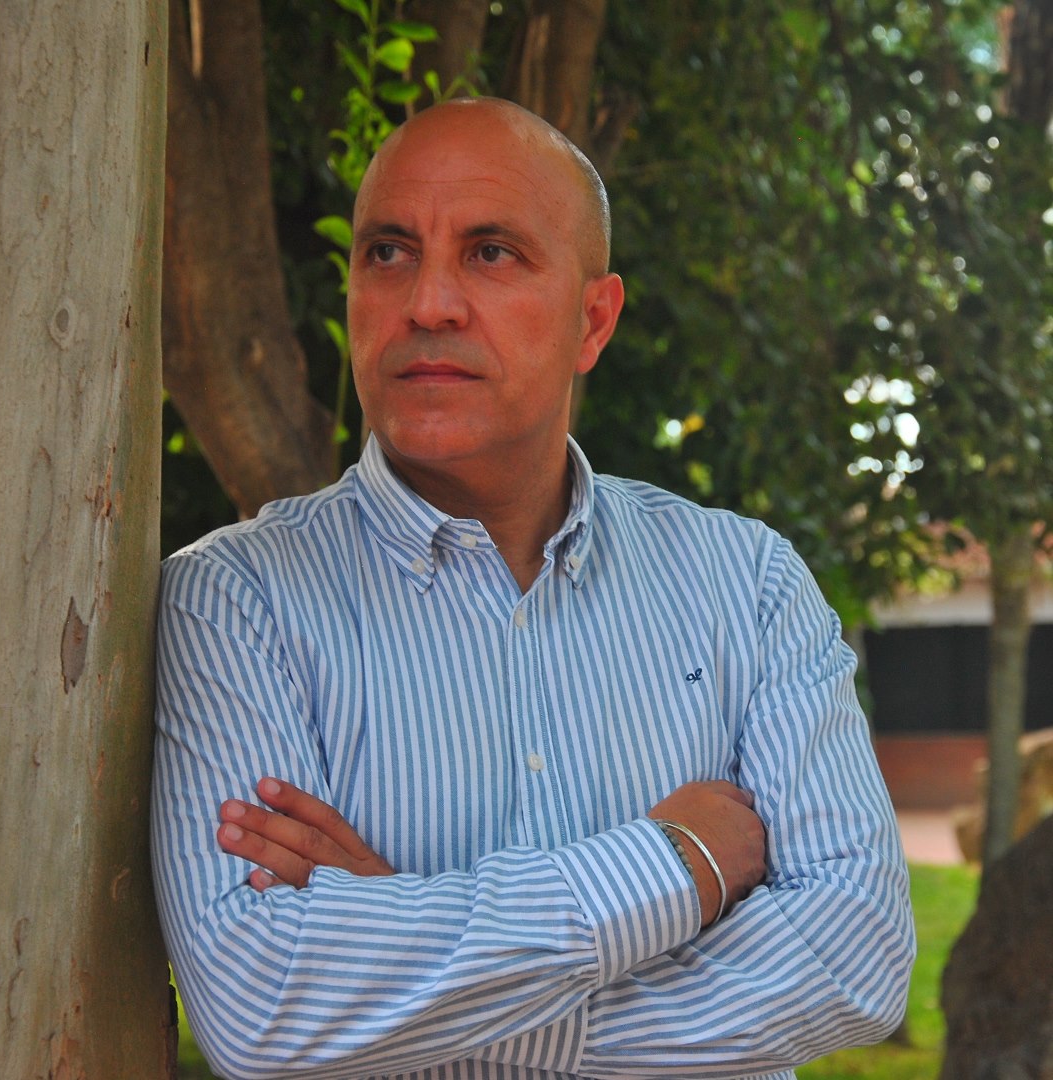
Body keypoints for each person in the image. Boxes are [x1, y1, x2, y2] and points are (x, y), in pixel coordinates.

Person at [151, 97, 914, 1080]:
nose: (428, 302)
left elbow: (858, 961)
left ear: (594, 320)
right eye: (388, 252)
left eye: (490, 252)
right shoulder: (234, 601)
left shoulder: (747, 583)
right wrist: (677, 864)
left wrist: (408, 948)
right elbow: (259, 1007)